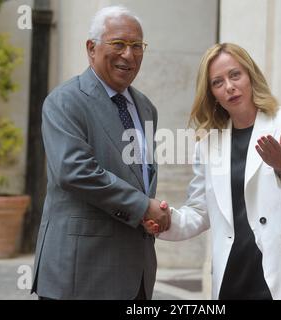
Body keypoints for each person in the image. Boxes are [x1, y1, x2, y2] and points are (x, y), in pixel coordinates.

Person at [150, 43, 281, 299]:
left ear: (250, 76)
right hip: (234, 275)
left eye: (235, 75)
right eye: (218, 82)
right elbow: (201, 211)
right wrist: (165, 220)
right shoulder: (208, 144)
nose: (229, 86)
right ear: (212, 93)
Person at [31, 5, 170, 300]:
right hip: (81, 272)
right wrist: (143, 206)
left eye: (137, 46)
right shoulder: (65, 101)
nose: (128, 55)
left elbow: (139, 176)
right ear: (91, 48)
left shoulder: (145, 107)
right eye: (118, 44)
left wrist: (147, 213)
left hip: (135, 272)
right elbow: (75, 172)